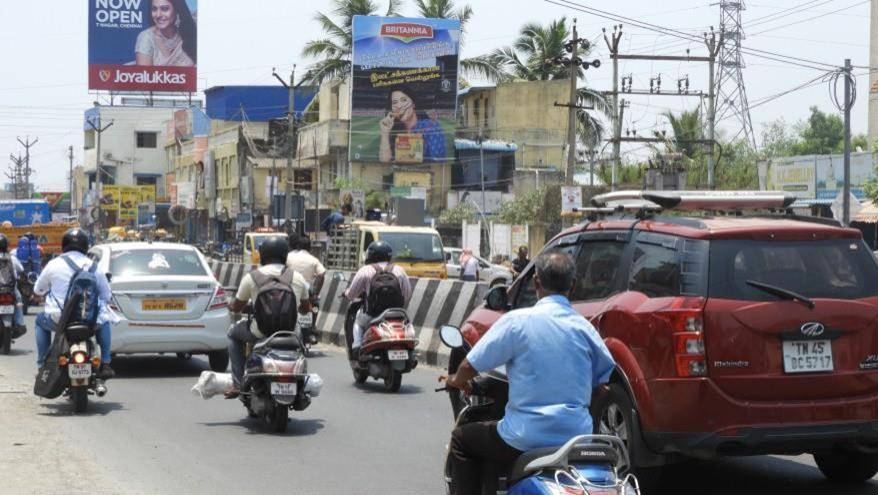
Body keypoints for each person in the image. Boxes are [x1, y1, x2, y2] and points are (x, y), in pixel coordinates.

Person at [442, 250, 616, 495]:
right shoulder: (585, 329)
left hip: (523, 437)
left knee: (462, 440)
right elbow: (601, 386)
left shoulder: (517, 321)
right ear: (573, 285)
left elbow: (469, 366)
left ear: (536, 282)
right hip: (577, 438)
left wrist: (457, 380)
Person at [226, 235, 310, 398]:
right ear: (284, 255)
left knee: (232, 334)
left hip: (259, 333)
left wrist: (230, 306)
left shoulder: (252, 277)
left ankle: (237, 384)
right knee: (302, 345)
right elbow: (306, 309)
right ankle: (301, 382)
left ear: (263, 255)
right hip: (290, 333)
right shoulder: (297, 277)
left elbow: (237, 308)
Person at [31, 228, 118, 379]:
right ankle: (105, 363)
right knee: (104, 320)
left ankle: (42, 365)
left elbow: (38, 290)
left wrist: (41, 295)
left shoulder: (53, 264)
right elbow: (106, 295)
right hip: (88, 320)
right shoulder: (94, 266)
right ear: (85, 246)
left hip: (59, 320)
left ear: (63, 245)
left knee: (39, 321)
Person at [343, 241, 412, 354]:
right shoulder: (399, 270)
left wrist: (346, 293)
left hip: (373, 315)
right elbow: (407, 294)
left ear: (370, 255)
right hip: (397, 314)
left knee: (358, 323)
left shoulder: (365, 270)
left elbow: (352, 295)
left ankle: (357, 346)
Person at [378, 87, 446, 164]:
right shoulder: (395, 130)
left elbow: (437, 163)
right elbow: (384, 162)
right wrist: (385, 133)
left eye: (404, 100)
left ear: (413, 104)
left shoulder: (431, 127)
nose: (399, 106)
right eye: (394, 102)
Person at [135, 0, 197, 67]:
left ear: (177, 10)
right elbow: (144, 73)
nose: (158, 15)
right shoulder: (146, 38)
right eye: (154, 9)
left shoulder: (188, 34)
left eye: (164, 9)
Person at [0, 234, 27, 337]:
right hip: (10, 290)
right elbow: (21, 269)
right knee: (18, 299)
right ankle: (20, 323)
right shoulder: (12, 258)